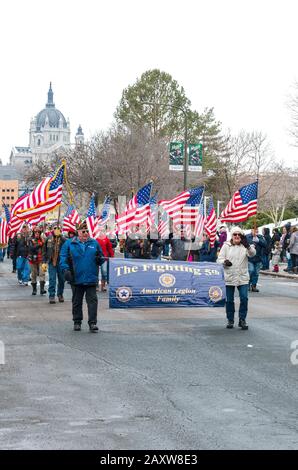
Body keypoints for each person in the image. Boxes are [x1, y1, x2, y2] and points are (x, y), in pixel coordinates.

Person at [59, 221, 105, 332]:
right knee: (76, 301)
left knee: (92, 301)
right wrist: (65, 270)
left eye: (87, 231)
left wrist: (100, 259)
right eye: (83, 231)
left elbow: (101, 256)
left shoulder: (94, 243)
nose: (85, 233)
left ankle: (92, 323)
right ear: (78, 232)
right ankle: (77, 321)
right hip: (76, 277)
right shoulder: (69, 244)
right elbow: (63, 258)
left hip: (91, 277)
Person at [217, 226, 256, 330]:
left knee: (244, 298)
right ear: (232, 236)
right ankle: (230, 320)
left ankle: (242, 320)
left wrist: (248, 246)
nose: (237, 236)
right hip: (229, 276)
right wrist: (224, 262)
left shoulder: (246, 246)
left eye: (239, 234)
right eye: (235, 234)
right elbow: (219, 259)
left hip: (242, 277)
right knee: (229, 300)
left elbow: (252, 254)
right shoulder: (226, 246)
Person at [43, 224, 66, 303]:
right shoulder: (48, 238)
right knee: (52, 279)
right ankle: (52, 295)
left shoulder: (63, 239)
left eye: (58, 228)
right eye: (55, 228)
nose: (57, 229)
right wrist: (44, 262)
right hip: (51, 261)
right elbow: (44, 250)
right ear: (52, 229)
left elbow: (67, 251)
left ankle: (60, 294)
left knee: (62, 279)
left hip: (61, 262)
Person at [246, 228, 267, 292]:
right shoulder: (247, 236)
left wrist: (258, 240)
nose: (256, 231)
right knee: (251, 270)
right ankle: (248, 284)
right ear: (251, 230)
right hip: (250, 258)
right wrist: (250, 245)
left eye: (257, 230)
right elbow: (243, 244)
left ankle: (254, 286)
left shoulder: (260, 236)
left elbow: (265, 244)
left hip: (258, 257)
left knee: (256, 273)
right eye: (254, 230)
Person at [28, 226, 47, 295]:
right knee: (33, 274)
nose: (37, 233)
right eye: (35, 232)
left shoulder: (43, 239)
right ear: (33, 232)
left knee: (42, 273)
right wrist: (40, 244)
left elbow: (47, 248)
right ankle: (34, 289)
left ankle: (42, 289)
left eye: (38, 232)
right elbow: (31, 248)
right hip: (33, 260)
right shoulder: (30, 239)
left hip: (42, 259)